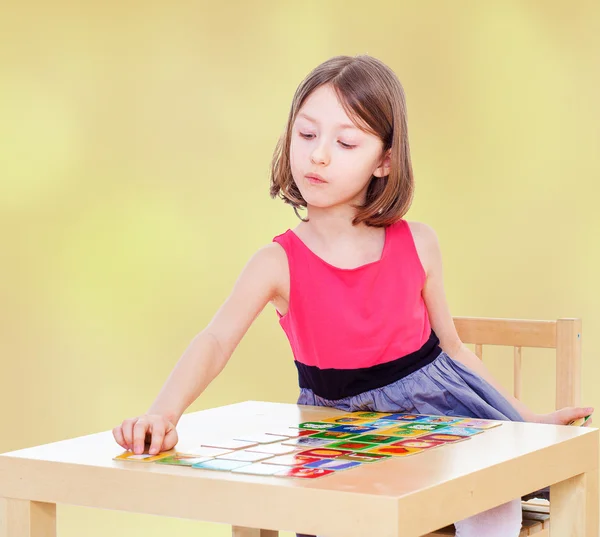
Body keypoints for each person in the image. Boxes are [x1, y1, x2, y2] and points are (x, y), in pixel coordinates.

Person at [113, 55, 593, 537]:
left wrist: (527, 419)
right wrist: (163, 413)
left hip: (440, 420)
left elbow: (453, 349)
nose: (318, 155)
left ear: (384, 160)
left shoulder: (419, 243)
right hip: (340, 431)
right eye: (306, 135)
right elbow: (215, 339)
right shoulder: (276, 262)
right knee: (339, 516)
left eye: (345, 142)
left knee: (490, 499)